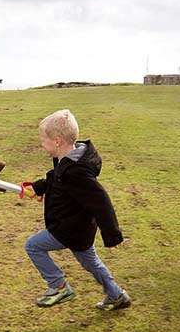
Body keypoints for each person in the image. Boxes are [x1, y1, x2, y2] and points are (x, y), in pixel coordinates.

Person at [22, 109, 131, 310]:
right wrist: (37, 188)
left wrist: (112, 235)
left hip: (68, 229)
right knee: (91, 263)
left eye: (43, 140)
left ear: (57, 141)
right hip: (81, 230)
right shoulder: (71, 159)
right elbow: (55, 179)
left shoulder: (77, 172)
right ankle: (117, 296)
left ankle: (59, 286)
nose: (41, 144)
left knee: (33, 246)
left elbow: (101, 202)